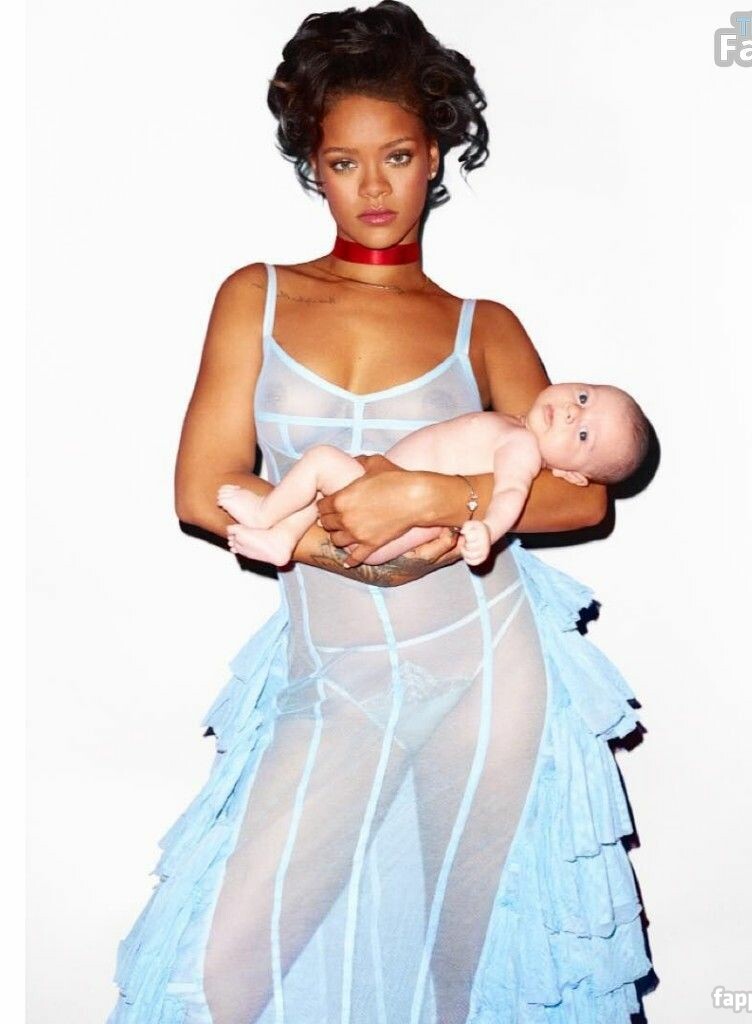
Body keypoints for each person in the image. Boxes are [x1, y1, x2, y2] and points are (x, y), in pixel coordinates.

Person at [106, 3, 653, 1022]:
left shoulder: (483, 326)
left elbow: (579, 495)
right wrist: (340, 545)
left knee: (463, 970)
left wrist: (427, 495)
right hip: (335, 676)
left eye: (396, 156)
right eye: (343, 162)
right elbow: (201, 485)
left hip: (485, 671)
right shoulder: (256, 295)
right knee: (226, 970)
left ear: (433, 156)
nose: (372, 188)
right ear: (313, 166)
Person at [216, 382, 649, 567]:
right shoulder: (515, 426)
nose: (573, 412)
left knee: (321, 460)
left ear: (572, 476)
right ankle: (281, 539)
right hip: (379, 499)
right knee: (321, 490)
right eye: (584, 397)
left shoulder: (522, 447)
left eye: (584, 434)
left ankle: (264, 513)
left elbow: (511, 493)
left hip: (393, 525)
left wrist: (489, 530)